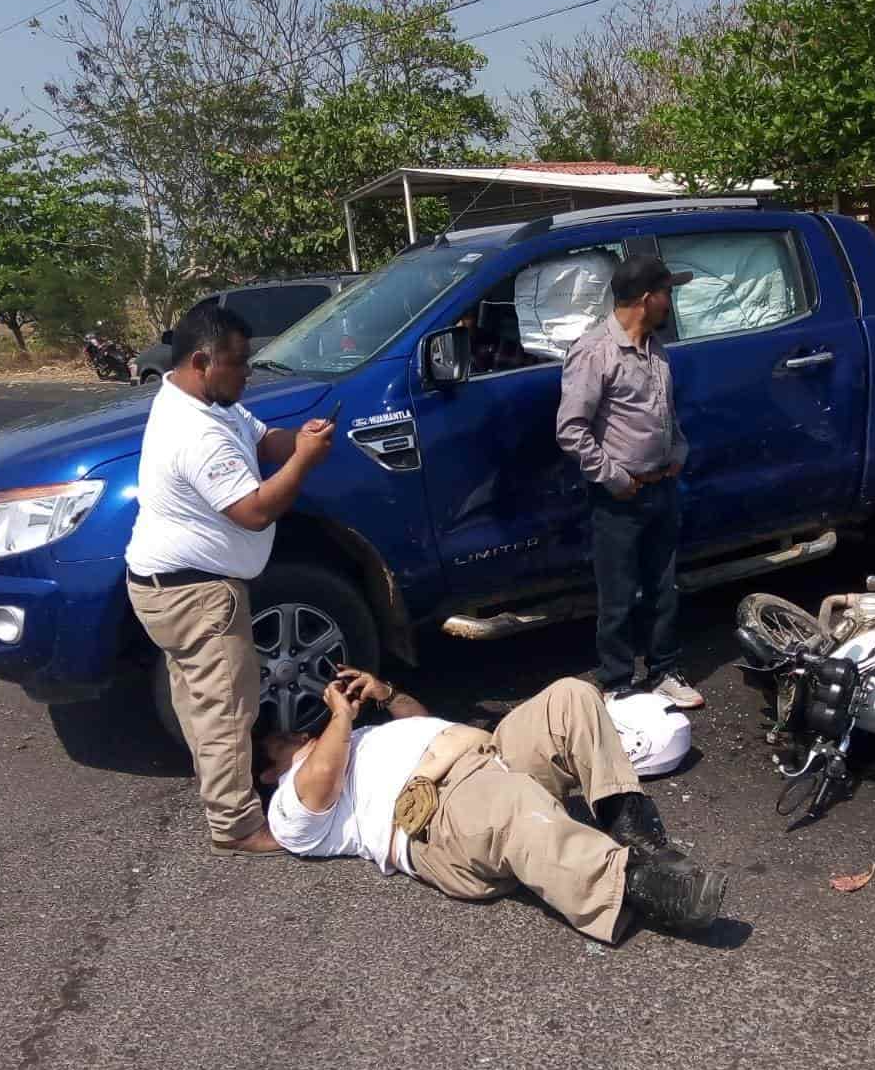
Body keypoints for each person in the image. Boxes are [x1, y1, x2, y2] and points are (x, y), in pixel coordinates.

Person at [260, 670, 729, 942]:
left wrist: (386, 694)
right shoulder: (287, 807)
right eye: (281, 740)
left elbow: (424, 723)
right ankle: (638, 886)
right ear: (266, 774)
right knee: (512, 804)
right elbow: (318, 786)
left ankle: (636, 834)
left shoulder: (356, 738)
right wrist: (340, 717)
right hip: (439, 815)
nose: (297, 732)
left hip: (485, 755)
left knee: (571, 697)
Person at [126, 302, 336, 857]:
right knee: (225, 710)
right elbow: (254, 510)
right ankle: (236, 825)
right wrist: (305, 463)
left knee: (201, 702)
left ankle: (222, 791)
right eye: (239, 364)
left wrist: (303, 439)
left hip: (168, 586)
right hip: (195, 593)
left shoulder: (208, 402)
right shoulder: (196, 432)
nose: (247, 374)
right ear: (202, 360)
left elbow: (266, 441)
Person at [556, 254, 704, 709]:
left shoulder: (654, 348)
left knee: (663, 588)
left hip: (662, 489)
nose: (670, 302)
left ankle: (664, 670)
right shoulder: (595, 351)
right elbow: (571, 429)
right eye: (667, 293)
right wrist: (614, 478)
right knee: (618, 595)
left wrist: (678, 452)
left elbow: (665, 415)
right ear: (645, 298)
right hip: (620, 497)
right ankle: (617, 681)